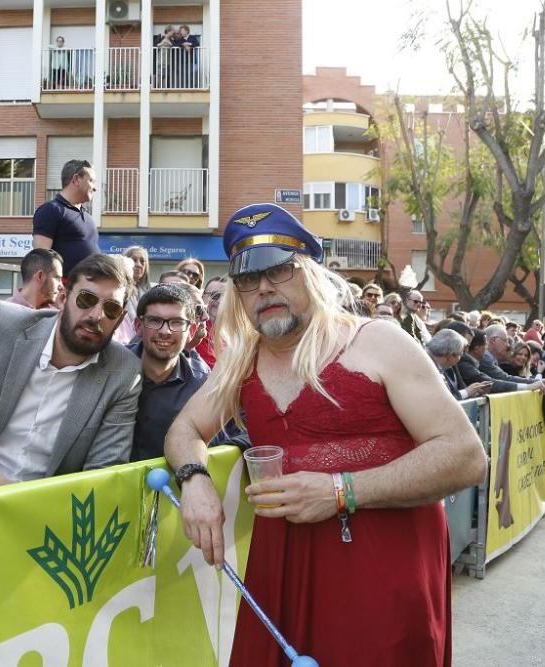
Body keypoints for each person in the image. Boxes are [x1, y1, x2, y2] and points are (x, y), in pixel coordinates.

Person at [163, 202, 487, 665]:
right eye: (248, 280)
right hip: (284, 566)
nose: (264, 289)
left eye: (279, 271)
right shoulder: (241, 364)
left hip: (384, 566)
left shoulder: (379, 342)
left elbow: (465, 455)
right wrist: (194, 478)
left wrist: (341, 491)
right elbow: (185, 429)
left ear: (310, 272)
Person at [0, 253, 142, 492]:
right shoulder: (1, 323)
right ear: (63, 297)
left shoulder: (123, 373)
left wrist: (13, 492)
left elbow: (101, 479)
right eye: (86, 299)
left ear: (121, 318)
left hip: (38, 515)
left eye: (111, 308)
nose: (95, 316)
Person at [128, 285, 207, 461]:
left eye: (176, 322)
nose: (165, 331)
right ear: (138, 326)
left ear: (191, 331)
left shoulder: (201, 383)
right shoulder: (111, 369)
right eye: (155, 321)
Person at [33, 160, 99, 275]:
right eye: (91, 181)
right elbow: (41, 259)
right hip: (66, 289)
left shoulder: (88, 217)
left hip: (90, 290)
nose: (95, 188)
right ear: (76, 179)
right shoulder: (50, 210)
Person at [426, 329, 491, 399]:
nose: (460, 359)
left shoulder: (443, 367)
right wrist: (466, 392)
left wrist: (474, 391)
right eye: (460, 354)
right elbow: (441, 399)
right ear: (450, 355)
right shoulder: (425, 366)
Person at [196, 276, 226, 368]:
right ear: (202, 298)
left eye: (226, 297)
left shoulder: (235, 331)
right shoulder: (197, 329)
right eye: (215, 296)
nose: (220, 301)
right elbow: (210, 368)